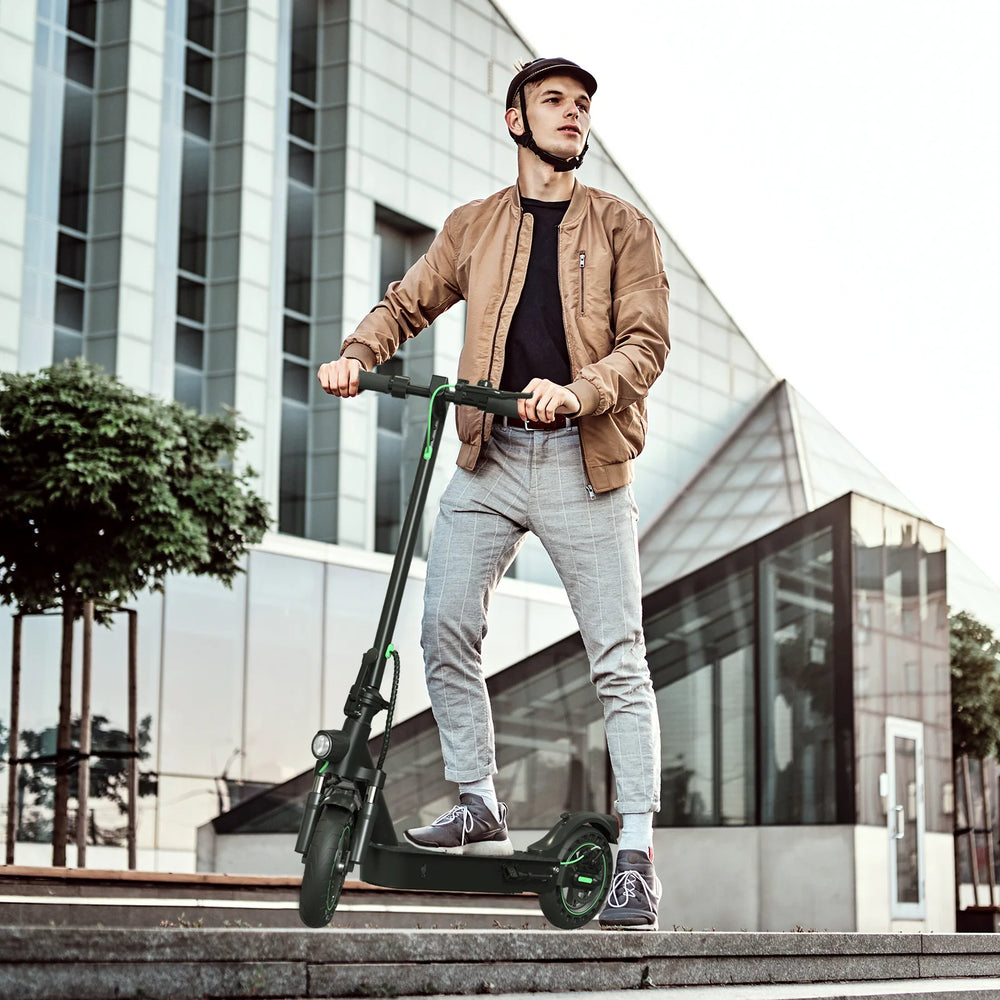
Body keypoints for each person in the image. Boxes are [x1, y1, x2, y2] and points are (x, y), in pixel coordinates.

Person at [318, 57, 669, 930]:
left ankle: (636, 855)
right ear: (516, 120)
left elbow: (646, 345)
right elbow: (409, 302)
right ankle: (478, 797)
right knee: (444, 626)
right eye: (554, 102)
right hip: (489, 452)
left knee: (618, 657)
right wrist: (358, 356)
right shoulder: (473, 226)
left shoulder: (625, 228)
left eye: (582, 105)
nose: (573, 115)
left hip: (583, 463)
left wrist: (578, 390)